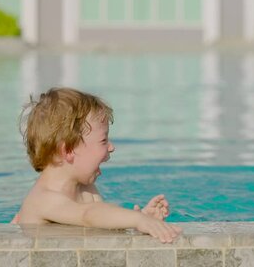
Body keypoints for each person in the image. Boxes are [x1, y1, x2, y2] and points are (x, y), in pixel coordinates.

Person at [14, 87, 182, 242]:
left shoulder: (86, 189)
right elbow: (89, 215)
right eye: (103, 140)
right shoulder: (43, 199)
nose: (112, 146)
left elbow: (102, 219)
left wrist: (142, 219)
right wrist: (137, 220)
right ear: (69, 150)